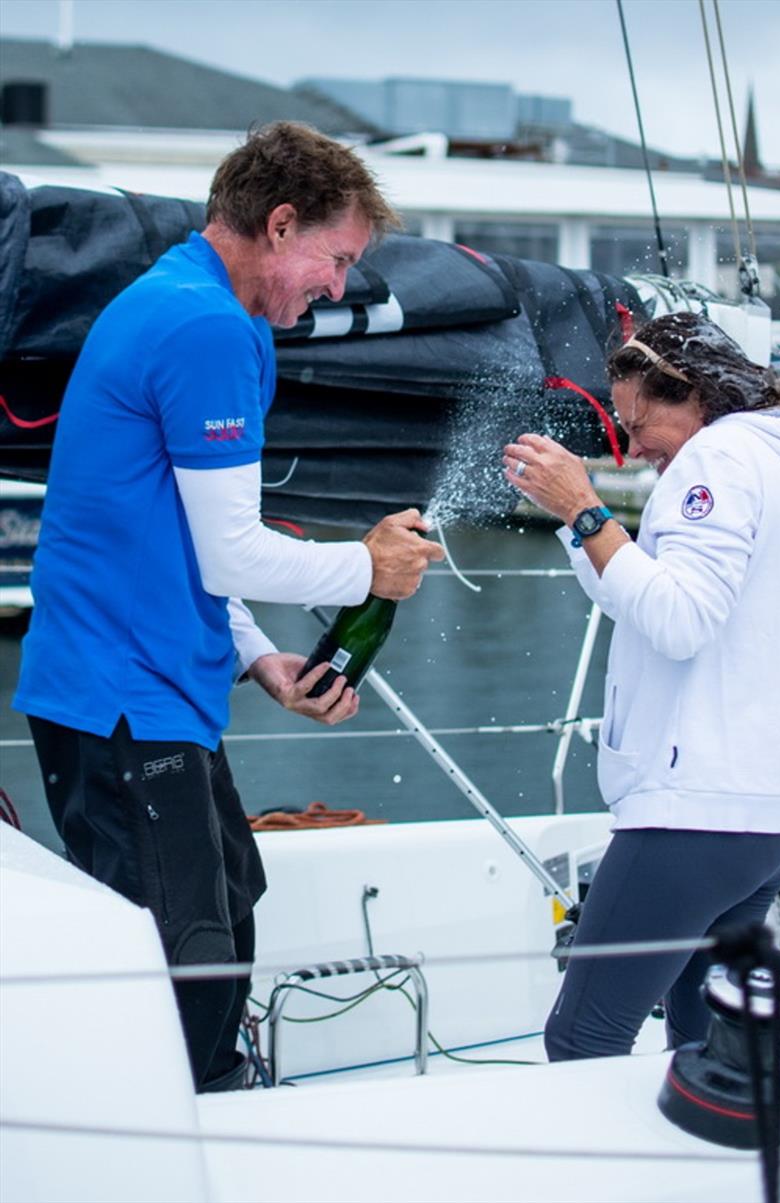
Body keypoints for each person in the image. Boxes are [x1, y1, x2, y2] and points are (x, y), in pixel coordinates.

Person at [14, 122, 444, 1091]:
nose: (338, 286)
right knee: (190, 953)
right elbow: (234, 548)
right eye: (334, 259)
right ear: (279, 223)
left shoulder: (212, 308)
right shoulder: (204, 326)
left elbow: (187, 543)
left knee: (232, 898)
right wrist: (366, 572)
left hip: (156, 684)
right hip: (118, 694)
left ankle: (209, 1093)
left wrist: (259, 658)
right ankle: (187, 1131)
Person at [503, 311, 780, 1059]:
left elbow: (679, 620)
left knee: (583, 1037)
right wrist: (581, 529)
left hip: (693, 812)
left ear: (694, 394)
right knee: (700, 1042)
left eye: (638, 424)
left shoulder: (717, 458)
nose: (631, 448)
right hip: (770, 817)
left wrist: (584, 506)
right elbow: (653, 592)